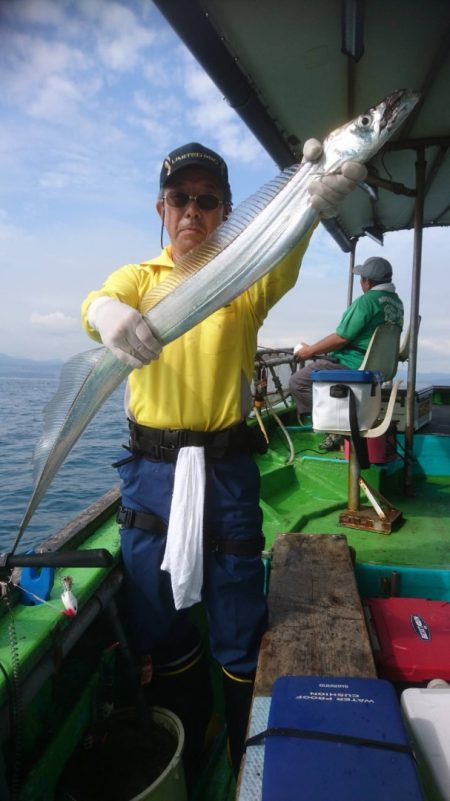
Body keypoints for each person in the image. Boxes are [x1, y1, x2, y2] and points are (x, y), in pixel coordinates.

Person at [81, 141, 366, 779]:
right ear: (161, 207)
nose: (192, 211)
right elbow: (96, 302)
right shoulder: (140, 280)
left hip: (226, 470)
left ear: (226, 212)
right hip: (150, 477)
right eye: (181, 198)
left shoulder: (243, 281)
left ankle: (246, 761)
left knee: (239, 614)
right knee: (160, 619)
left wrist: (312, 209)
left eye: (208, 201)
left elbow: (284, 259)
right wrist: (106, 313)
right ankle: (190, 730)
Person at [289, 256, 404, 450]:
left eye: (362, 279)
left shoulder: (367, 301)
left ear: (367, 282)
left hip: (353, 364)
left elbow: (341, 338)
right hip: (378, 368)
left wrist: (309, 351)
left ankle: (337, 426)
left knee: (298, 382)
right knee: (321, 363)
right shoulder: (396, 303)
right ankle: (342, 420)